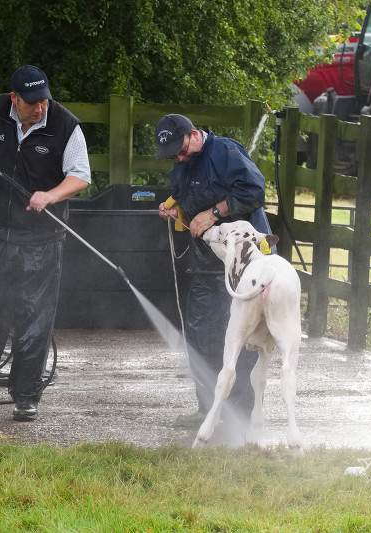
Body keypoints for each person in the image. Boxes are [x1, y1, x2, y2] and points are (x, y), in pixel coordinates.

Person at [0, 65, 90, 421]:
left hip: (40, 241)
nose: (40, 108)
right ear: (14, 98)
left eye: (44, 100)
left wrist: (51, 195)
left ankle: (26, 396)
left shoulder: (66, 125)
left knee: (33, 319)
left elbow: (81, 176)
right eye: (32, 102)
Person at [155, 113, 273, 428]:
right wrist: (174, 209)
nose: (179, 159)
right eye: (173, 157)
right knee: (199, 335)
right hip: (206, 264)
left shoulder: (225, 151)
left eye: (181, 151)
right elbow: (186, 199)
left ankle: (240, 414)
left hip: (246, 262)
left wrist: (214, 212)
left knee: (242, 338)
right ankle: (207, 409)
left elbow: (255, 191)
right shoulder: (181, 163)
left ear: (194, 134)